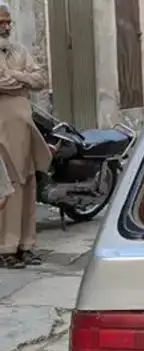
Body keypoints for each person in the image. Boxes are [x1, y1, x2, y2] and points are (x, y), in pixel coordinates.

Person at [0, 4, 51, 269]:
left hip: (25, 127)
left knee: (29, 183)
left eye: (8, 22)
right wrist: (21, 80)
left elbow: (40, 78)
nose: (6, 27)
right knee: (9, 185)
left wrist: (15, 76)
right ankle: (6, 247)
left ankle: (26, 245)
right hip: (3, 129)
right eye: (1, 22)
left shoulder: (20, 50)